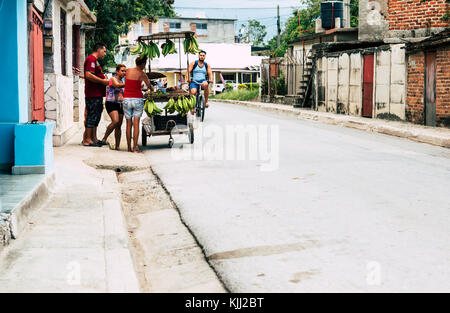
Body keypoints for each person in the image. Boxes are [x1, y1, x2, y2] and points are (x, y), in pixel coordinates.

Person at [123, 56, 153, 153]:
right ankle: (135, 148)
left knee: (128, 125)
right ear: (143, 63)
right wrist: (151, 88)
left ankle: (128, 148)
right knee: (136, 125)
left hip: (127, 99)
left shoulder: (127, 71)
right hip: (137, 99)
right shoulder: (142, 74)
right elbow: (149, 85)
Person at [82, 43, 109, 147]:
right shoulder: (91, 59)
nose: (105, 53)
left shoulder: (95, 60)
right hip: (92, 93)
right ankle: (87, 140)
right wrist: (103, 81)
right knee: (91, 116)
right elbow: (88, 75)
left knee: (96, 116)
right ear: (99, 49)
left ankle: (94, 138)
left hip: (97, 93)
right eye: (104, 51)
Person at [101, 64, 126, 150]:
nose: (124, 72)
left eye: (125, 71)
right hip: (111, 103)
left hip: (119, 104)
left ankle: (117, 146)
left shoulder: (122, 82)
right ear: (117, 71)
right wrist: (130, 83)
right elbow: (116, 85)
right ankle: (104, 138)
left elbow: (123, 93)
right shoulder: (112, 79)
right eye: (122, 71)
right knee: (115, 121)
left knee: (119, 126)